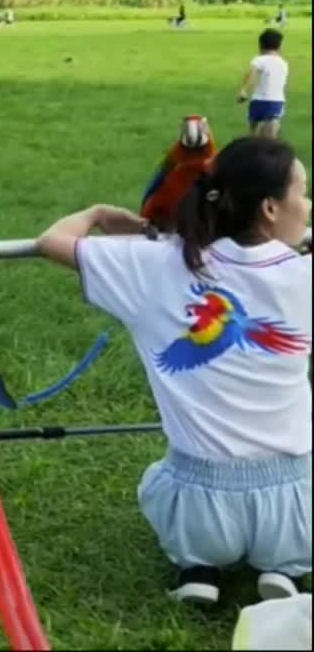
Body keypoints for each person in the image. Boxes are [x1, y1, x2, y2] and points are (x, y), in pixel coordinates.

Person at [35, 136, 312, 606]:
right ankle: (284, 568)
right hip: (297, 508)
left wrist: (100, 214)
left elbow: (51, 241)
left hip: (199, 508)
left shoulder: (159, 264)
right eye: (302, 192)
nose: (307, 205)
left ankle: (199, 567)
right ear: (269, 208)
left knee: (173, 483)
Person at [237, 28, 288, 140]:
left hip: (258, 101)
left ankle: (253, 151)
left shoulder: (259, 60)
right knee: (272, 134)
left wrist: (243, 91)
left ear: (260, 45)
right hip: (276, 101)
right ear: (279, 46)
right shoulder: (283, 63)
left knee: (254, 132)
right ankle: (272, 152)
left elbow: (251, 74)